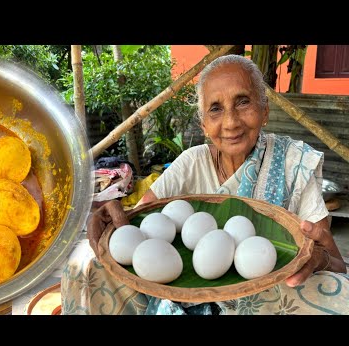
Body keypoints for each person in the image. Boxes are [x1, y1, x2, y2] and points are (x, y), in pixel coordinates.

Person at [61, 54, 349, 315]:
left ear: (265, 111)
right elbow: (140, 232)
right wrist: (112, 214)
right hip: (182, 302)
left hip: (272, 301)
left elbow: (337, 265)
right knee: (85, 264)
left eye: (243, 102)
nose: (231, 122)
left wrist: (320, 260)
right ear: (203, 125)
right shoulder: (191, 163)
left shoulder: (293, 162)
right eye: (215, 109)